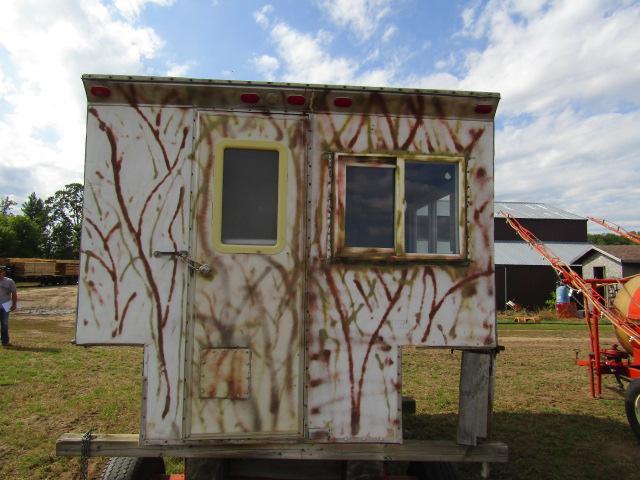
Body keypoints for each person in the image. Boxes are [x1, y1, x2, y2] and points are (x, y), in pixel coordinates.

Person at [0, 266, 17, 347]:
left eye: (0, 272)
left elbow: (14, 293)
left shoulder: (9, 281)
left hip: (6, 305)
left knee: (4, 324)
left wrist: (14, 304)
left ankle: (5, 342)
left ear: (3, 272)